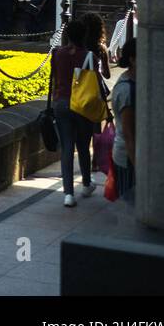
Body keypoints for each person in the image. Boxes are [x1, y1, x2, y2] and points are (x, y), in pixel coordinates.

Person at [50, 16, 111, 207]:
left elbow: (54, 77)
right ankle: (86, 183)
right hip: (82, 105)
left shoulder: (57, 53)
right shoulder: (90, 57)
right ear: (83, 36)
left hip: (61, 103)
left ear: (67, 35)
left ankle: (68, 194)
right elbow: (98, 83)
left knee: (67, 147)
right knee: (83, 145)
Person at [109, 13, 136, 202]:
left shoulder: (127, 81)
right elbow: (129, 133)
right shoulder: (127, 90)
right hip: (127, 156)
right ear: (133, 59)